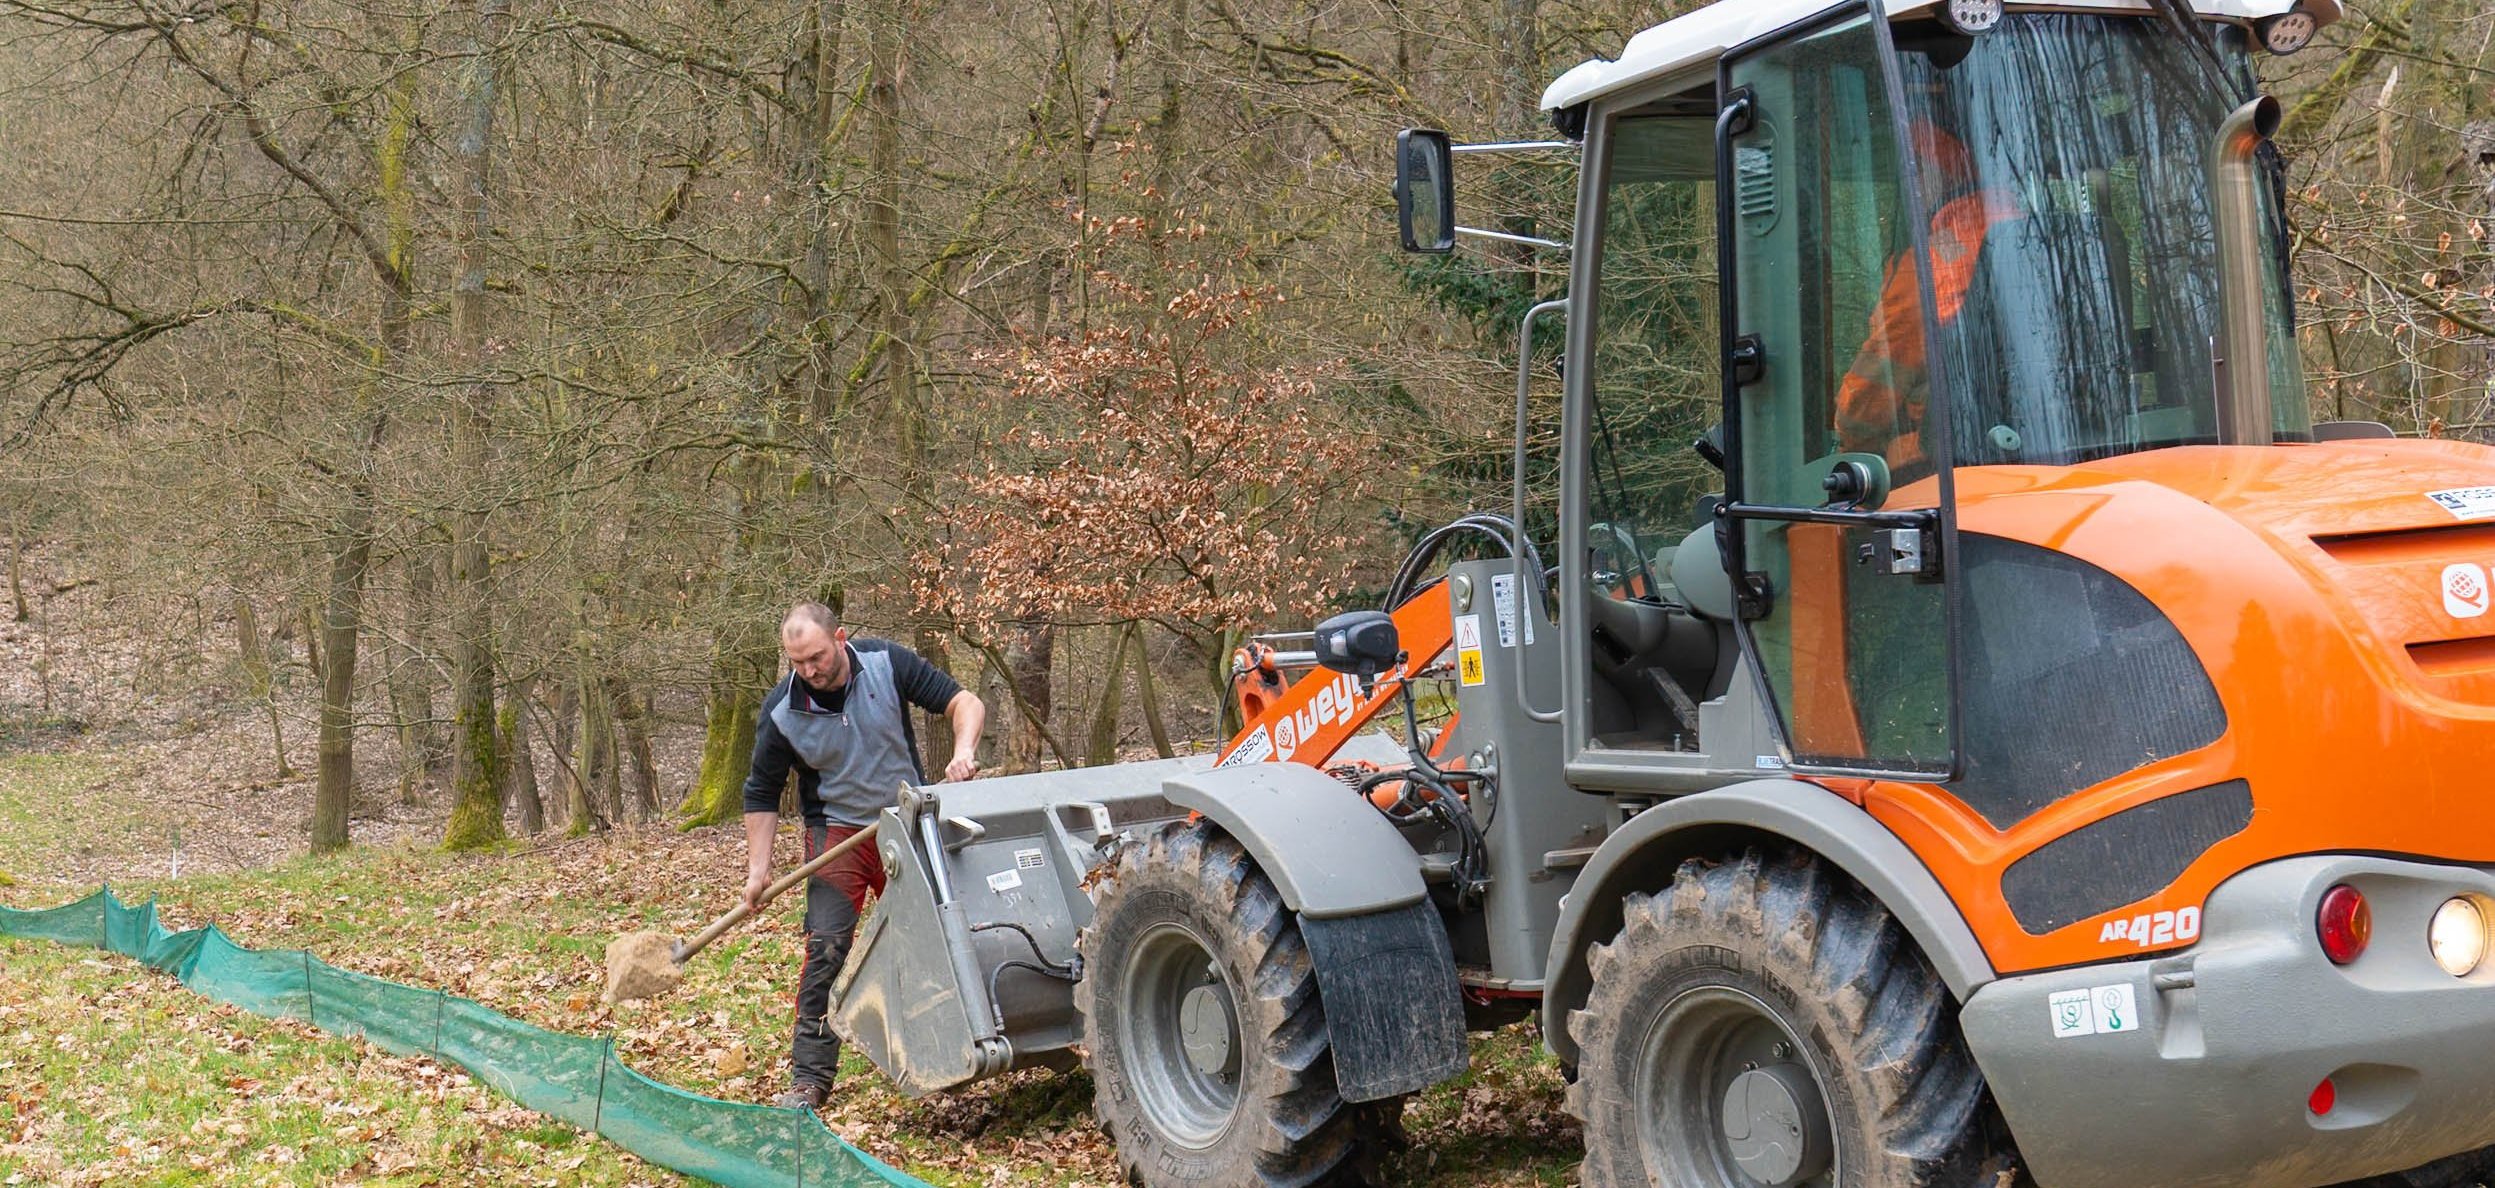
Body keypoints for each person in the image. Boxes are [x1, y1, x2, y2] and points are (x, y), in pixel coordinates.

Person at [742, 602, 985, 1109]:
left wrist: (963, 751)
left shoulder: (886, 663)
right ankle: (809, 1079)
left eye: (816, 657)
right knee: (827, 948)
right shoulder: (782, 711)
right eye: (797, 662)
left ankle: (954, 1057)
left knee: (934, 940)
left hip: (907, 820)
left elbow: (964, 702)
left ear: (841, 638)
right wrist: (758, 871)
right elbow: (761, 792)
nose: (809, 671)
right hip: (838, 835)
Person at [1834, 118, 2026, 471]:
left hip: (1947, 459)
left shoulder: (1933, 259)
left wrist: (1847, 446)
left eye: (1919, 169)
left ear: (1945, 171)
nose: (1913, 185)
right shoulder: (2022, 228)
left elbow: (1880, 374)